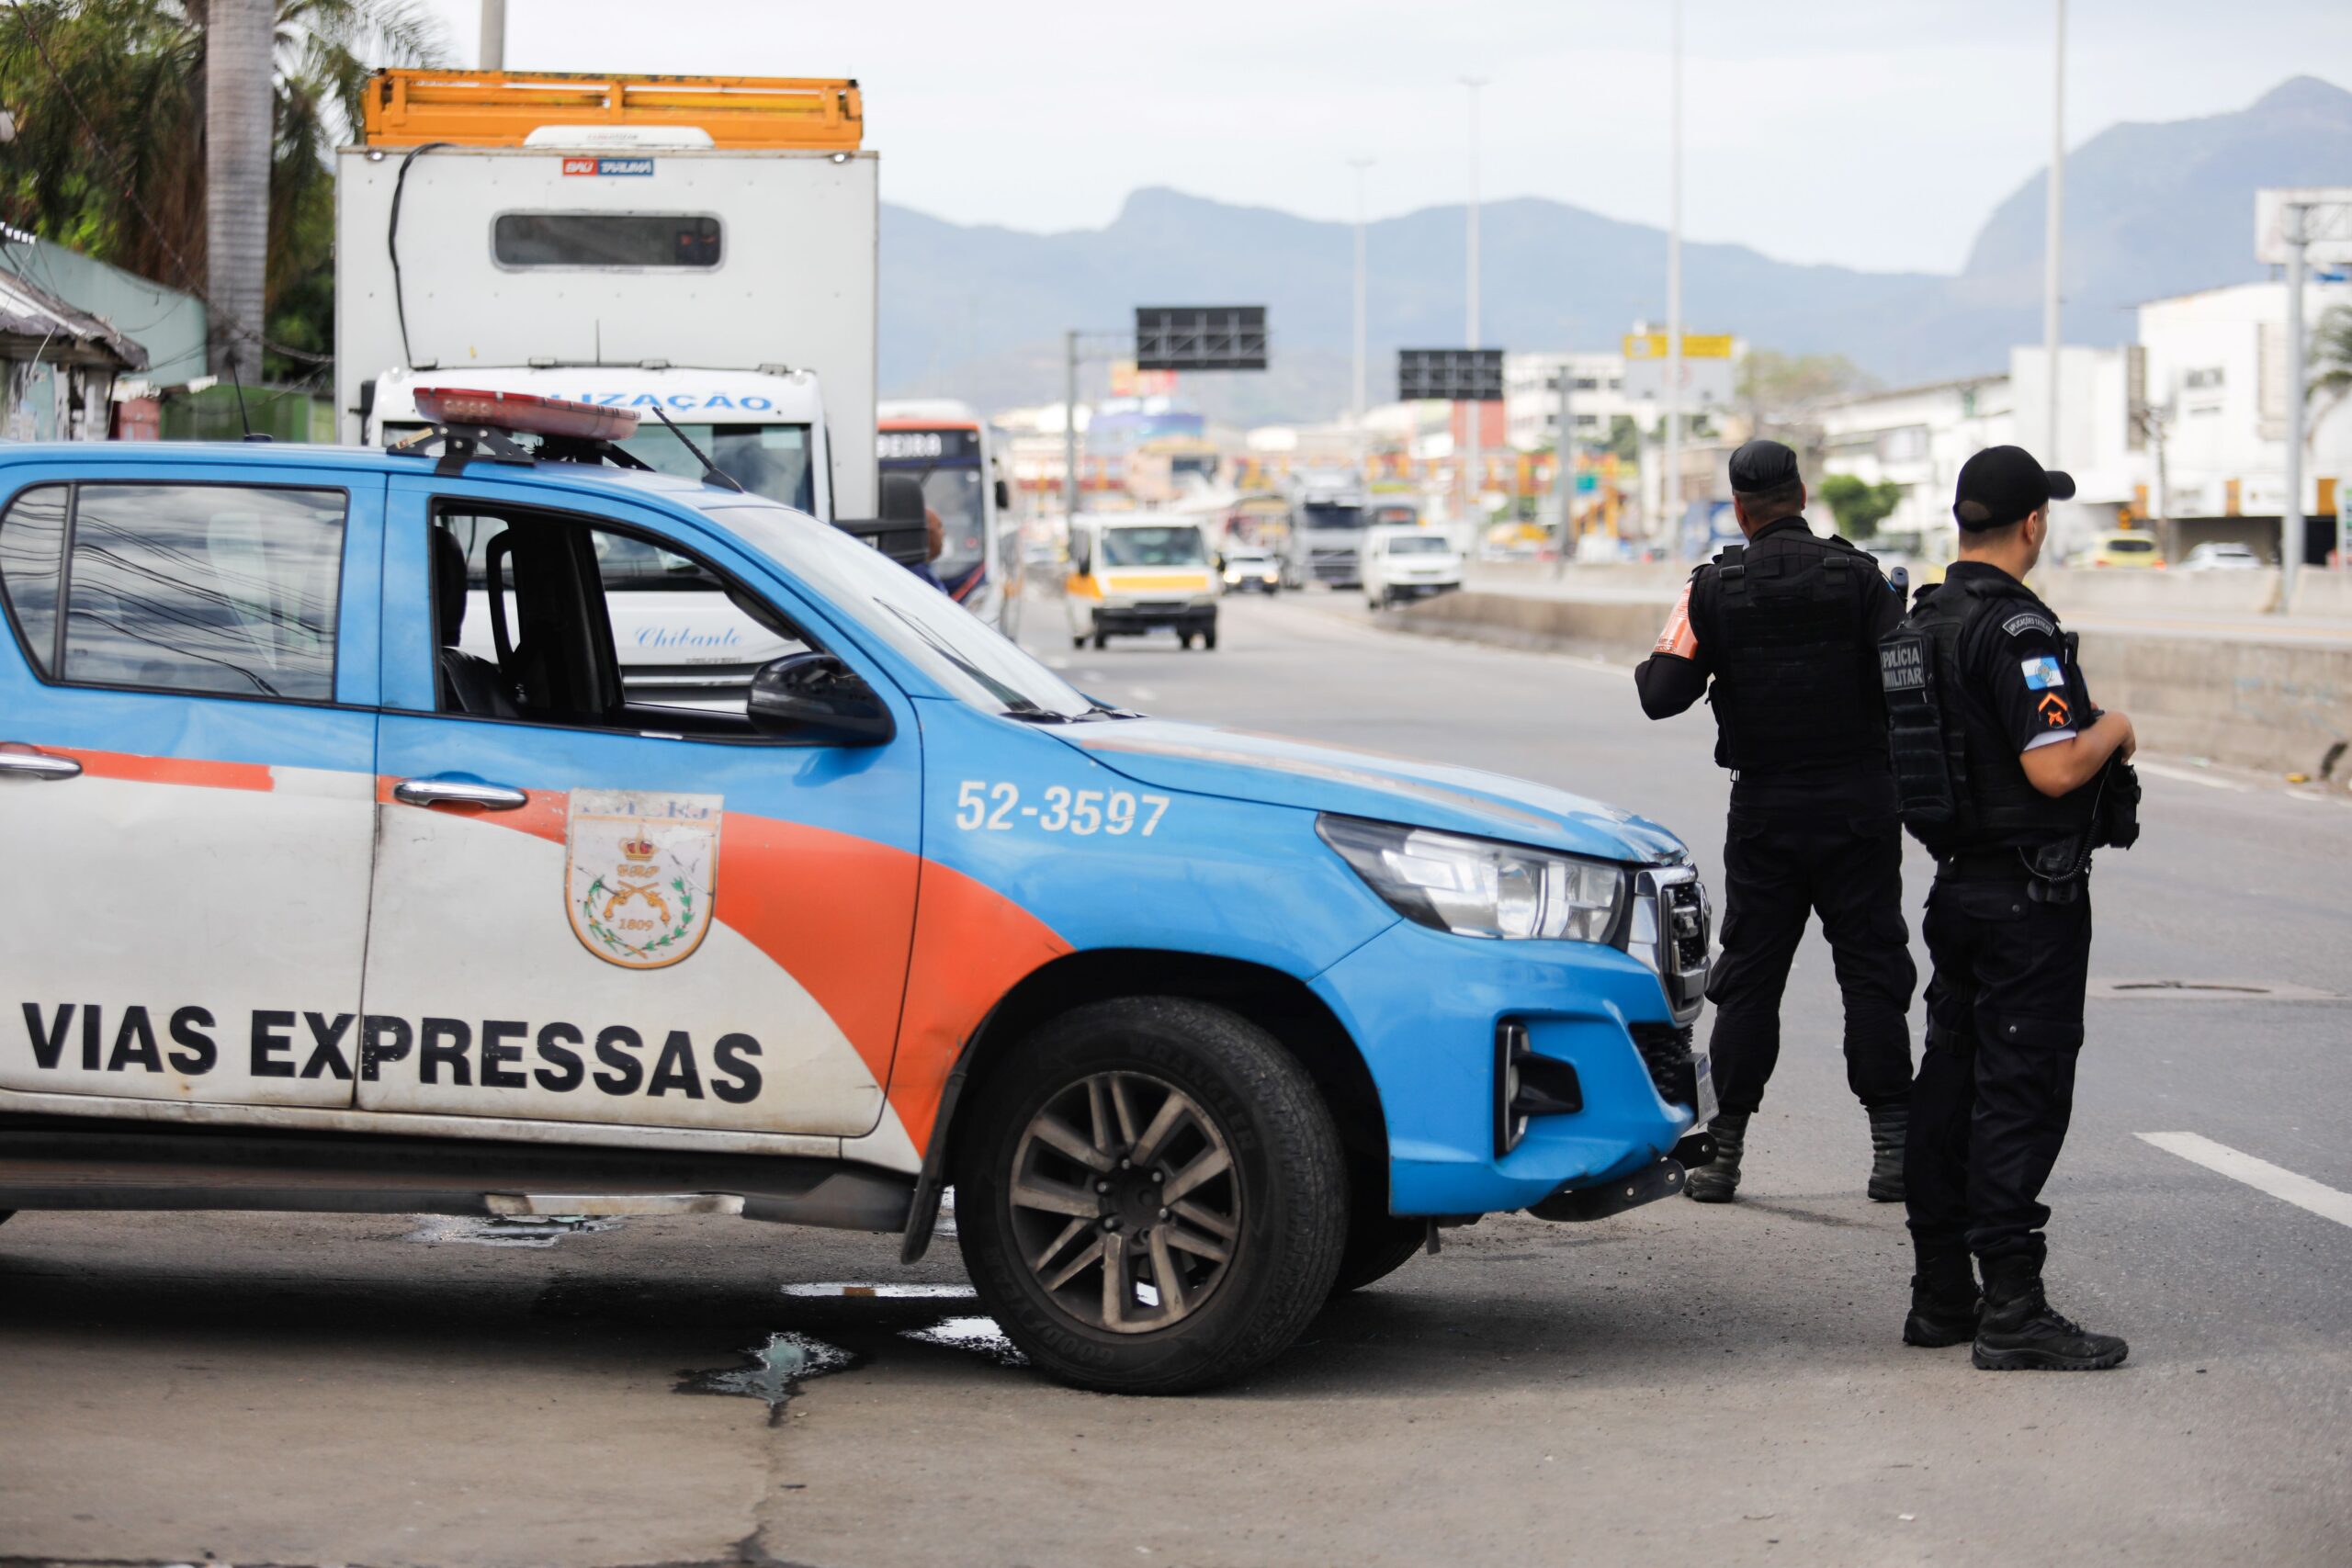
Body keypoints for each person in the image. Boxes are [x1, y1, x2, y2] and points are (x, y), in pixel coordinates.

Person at [1880, 445, 2138, 1371]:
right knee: (2017, 1095)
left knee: (1946, 1090)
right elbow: (2054, 764)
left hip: (1956, 887)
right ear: (2033, 523)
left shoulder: (1920, 625)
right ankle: (2012, 1309)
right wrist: (2113, 727)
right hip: (2027, 899)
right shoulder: (2018, 631)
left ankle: (1941, 1295)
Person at [1634, 438, 1916, 1203]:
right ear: (1801, 493)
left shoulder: (1711, 587)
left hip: (1765, 813)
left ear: (1738, 509)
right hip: (1859, 806)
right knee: (1872, 973)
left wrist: (1687, 620)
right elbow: (1910, 683)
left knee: (1751, 980)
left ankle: (1722, 1154)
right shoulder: (1860, 579)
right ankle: (1893, 1150)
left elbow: (1660, 692)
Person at [904, 505, 948, 592]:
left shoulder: (927, 572)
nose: (943, 533)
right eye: (939, 526)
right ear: (926, 532)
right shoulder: (915, 576)